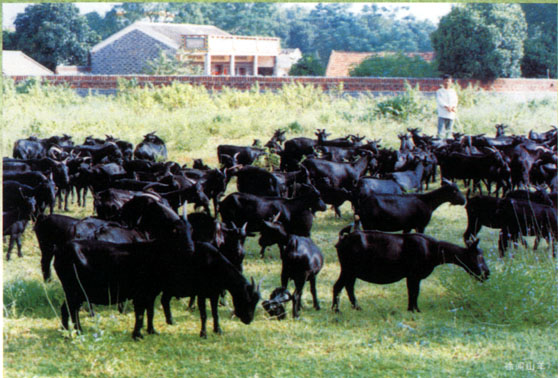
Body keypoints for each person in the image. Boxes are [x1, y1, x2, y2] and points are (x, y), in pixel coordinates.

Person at [436, 74, 458, 139]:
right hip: (442, 113)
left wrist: (453, 107)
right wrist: (446, 107)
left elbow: (455, 100)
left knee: (449, 131)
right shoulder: (439, 91)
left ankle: (448, 143)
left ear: (451, 82)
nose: (447, 83)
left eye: (448, 81)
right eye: (445, 81)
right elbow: (440, 101)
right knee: (440, 131)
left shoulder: (453, 91)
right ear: (443, 82)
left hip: (451, 113)